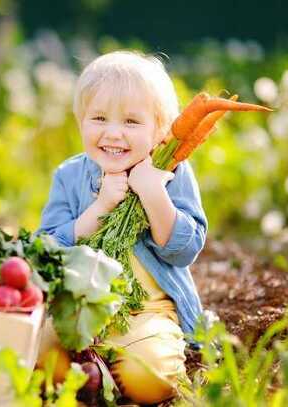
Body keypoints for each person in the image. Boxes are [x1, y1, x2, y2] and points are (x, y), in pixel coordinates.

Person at [36, 50, 207, 405]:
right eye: (98, 118)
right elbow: (46, 249)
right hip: (79, 307)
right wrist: (99, 208)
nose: (112, 134)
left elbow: (184, 249)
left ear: (160, 130)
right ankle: (94, 372)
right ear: (80, 121)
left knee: (151, 377)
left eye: (131, 122)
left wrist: (153, 192)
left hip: (146, 313)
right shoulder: (69, 176)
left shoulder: (172, 173)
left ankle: (108, 373)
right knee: (38, 357)